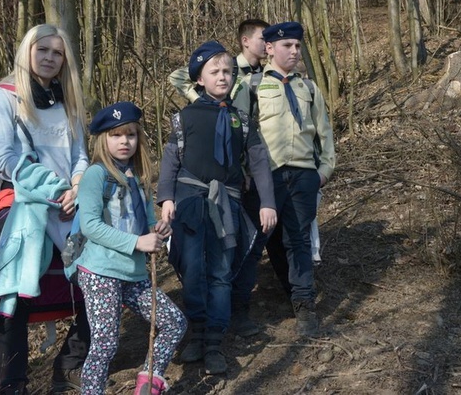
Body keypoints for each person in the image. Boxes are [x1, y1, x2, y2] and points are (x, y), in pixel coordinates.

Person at [0, 24, 91, 393]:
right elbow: (2, 157)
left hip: (68, 209)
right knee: (15, 298)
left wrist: (77, 188)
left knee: (99, 283)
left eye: (57, 53)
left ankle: (70, 366)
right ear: (28, 51)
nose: (49, 57)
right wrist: (54, 190)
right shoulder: (5, 95)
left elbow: (80, 156)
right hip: (24, 208)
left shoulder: (69, 99)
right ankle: (9, 384)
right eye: (42, 49)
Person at [158, 41, 277, 374]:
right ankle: (195, 333)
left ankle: (214, 341)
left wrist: (267, 202)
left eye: (227, 71)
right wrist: (166, 198)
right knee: (193, 270)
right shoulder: (185, 118)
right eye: (214, 71)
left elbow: (259, 161)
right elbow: (170, 160)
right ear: (199, 79)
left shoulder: (242, 118)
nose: (222, 76)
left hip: (228, 203)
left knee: (221, 273)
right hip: (191, 202)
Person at [75, 102, 187, 395]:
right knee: (105, 344)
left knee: (174, 322)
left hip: (133, 272)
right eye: (116, 135)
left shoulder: (137, 177)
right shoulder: (95, 175)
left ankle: (148, 384)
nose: (124, 141)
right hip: (100, 272)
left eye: (130, 135)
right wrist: (137, 242)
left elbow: (146, 221)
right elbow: (89, 225)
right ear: (103, 140)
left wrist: (157, 231)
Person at [233, 21, 335, 338]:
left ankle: (304, 307)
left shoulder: (309, 89)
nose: (294, 51)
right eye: (287, 45)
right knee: (255, 242)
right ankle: (239, 311)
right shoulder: (250, 88)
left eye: (297, 46)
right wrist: (246, 176)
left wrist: (322, 173)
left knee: (298, 240)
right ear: (269, 48)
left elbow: (325, 135)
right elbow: (240, 136)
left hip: (304, 176)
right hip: (266, 177)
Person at [168, 18, 270, 103]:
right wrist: (198, 101)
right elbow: (176, 77)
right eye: (263, 39)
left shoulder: (265, 75)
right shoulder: (224, 66)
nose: (268, 44)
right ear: (245, 41)